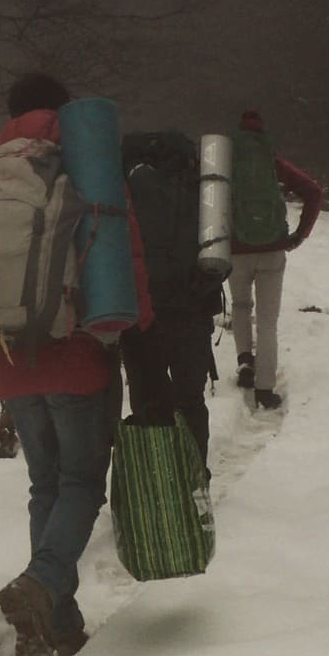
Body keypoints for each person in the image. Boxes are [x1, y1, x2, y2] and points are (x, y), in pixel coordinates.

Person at [0, 73, 164, 656]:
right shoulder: (83, 171)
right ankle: (42, 583)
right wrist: (145, 350)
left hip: (11, 363)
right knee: (82, 484)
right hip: (77, 358)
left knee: (45, 486)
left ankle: (57, 623)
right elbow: (127, 259)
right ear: (64, 113)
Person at [120, 130, 222, 473]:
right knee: (190, 401)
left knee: (147, 401)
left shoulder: (131, 183)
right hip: (192, 310)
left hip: (141, 314)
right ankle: (194, 475)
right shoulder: (206, 190)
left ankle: (155, 479)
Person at [228, 108, 322, 412]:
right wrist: (299, 235)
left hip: (236, 250)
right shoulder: (274, 164)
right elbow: (314, 192)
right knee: (268, 322)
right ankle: (265, 389)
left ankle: (245, 361)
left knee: (241, 306)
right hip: (272, 250)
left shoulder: (225, 163)